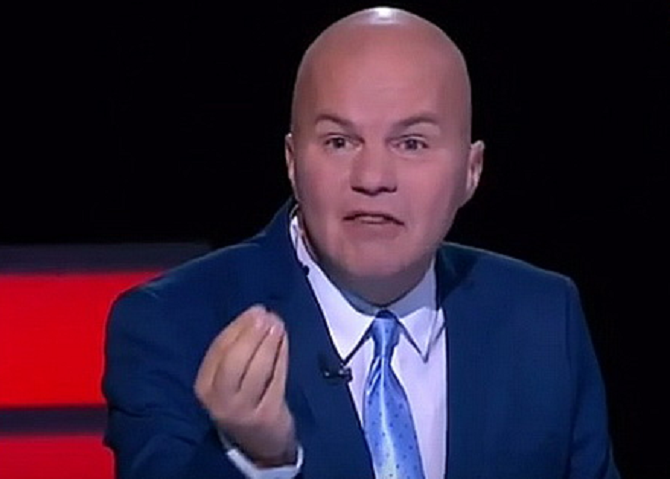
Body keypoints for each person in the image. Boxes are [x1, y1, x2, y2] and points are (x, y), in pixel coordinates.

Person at [102, 6, 620, 479]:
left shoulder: (543, 318)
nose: (372, 178)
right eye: (339, 142)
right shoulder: (171, 324)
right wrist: (260, 460)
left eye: (411, 143)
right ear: (292, 162)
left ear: (471, 170)